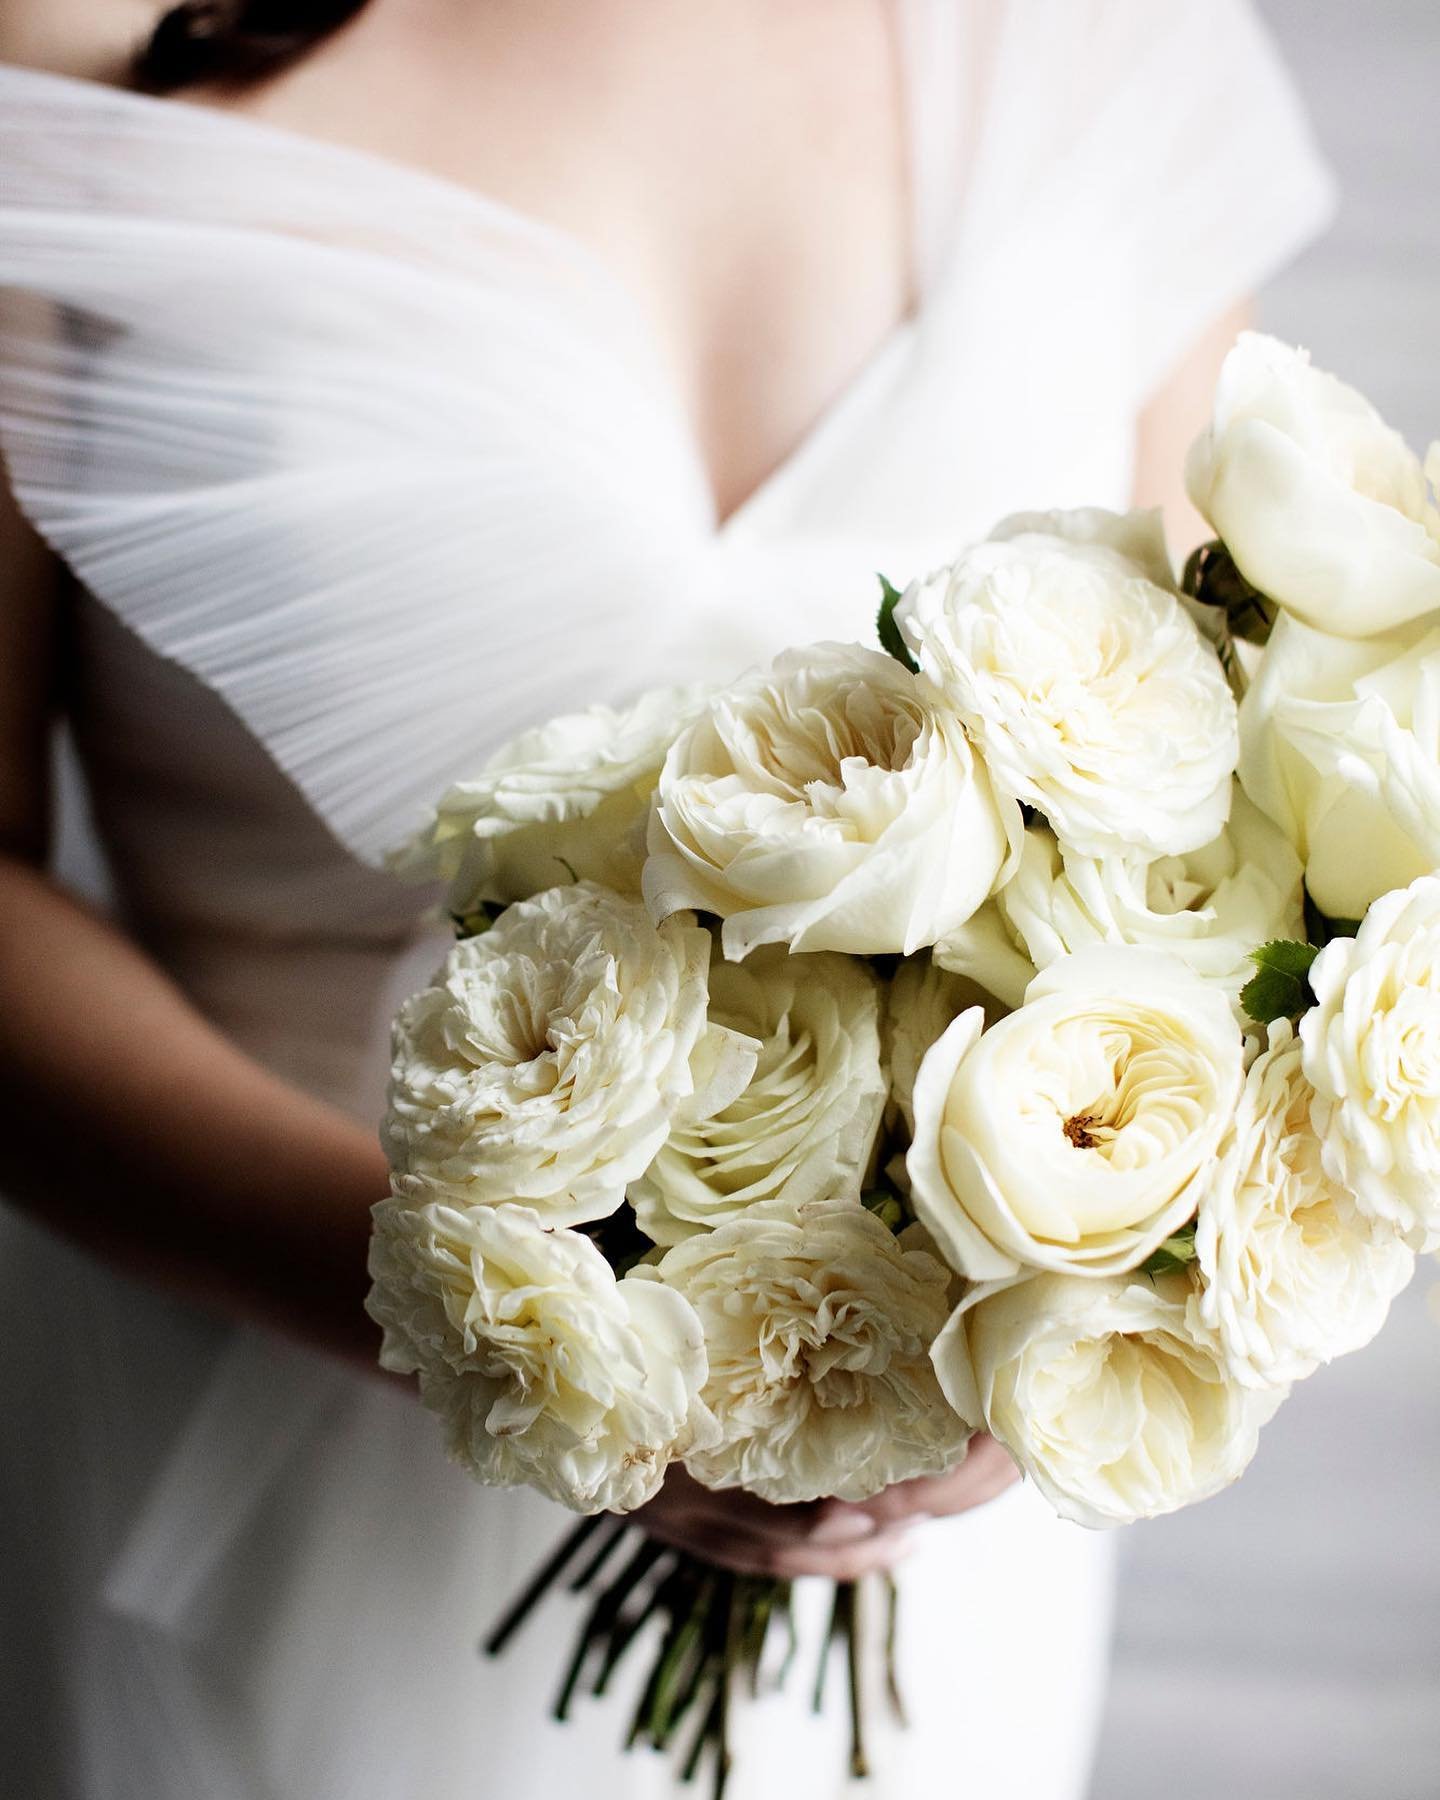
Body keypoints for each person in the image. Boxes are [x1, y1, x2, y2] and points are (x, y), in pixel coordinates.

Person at [0, 3, 1332, 1795]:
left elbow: (1209, 829)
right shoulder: (52, 47)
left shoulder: (1087, 31)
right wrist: (514, 1332)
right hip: (251, 1413)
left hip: (915, 1536)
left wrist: (1072, 1299)